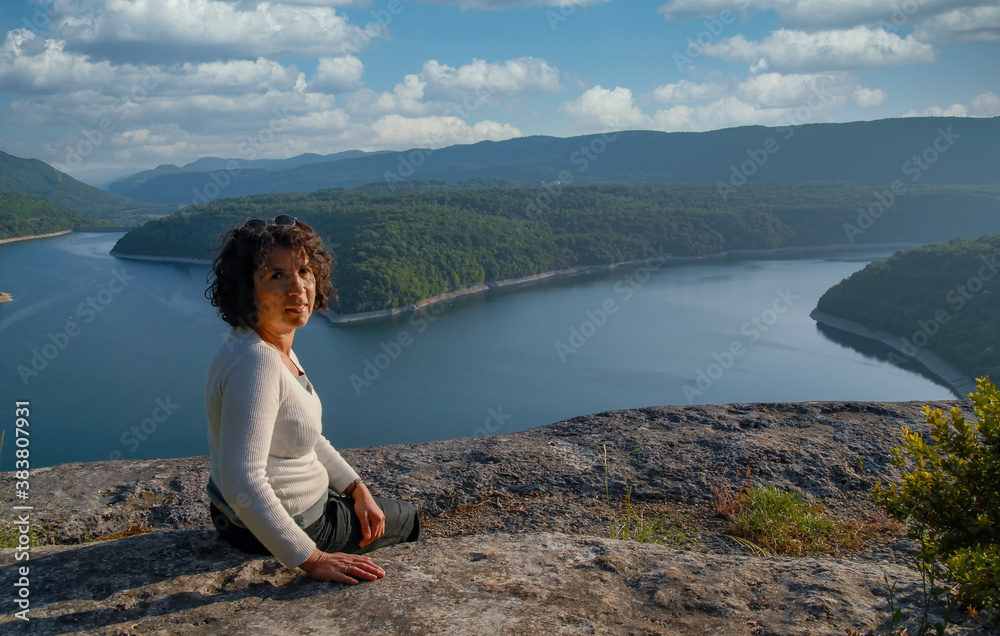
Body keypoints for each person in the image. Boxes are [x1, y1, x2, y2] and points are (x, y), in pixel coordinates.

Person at [203, 214, 420, 584]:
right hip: (289, 522)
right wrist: (311, 557)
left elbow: (304, 437)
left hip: (252, 517)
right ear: (246, 289)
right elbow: (243, 481)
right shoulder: (257, 363)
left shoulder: (262, 345)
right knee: (407, 518)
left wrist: (356, 488)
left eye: (304, 271)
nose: (299, 288)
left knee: (373, 509)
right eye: (277, 276)